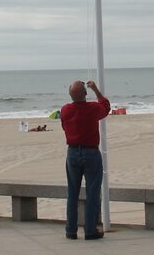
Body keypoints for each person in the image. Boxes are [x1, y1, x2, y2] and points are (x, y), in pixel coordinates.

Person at [60, 79, 110, 240]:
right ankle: (90, 230)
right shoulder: (92, 108)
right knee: (92, 192)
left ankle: (71, 229)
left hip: (73, 153)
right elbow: (106, 107)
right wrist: (96, 90)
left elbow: (64, 126)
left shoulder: (66, 110)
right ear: (85, 93)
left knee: (72, 193)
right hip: (90, 153)